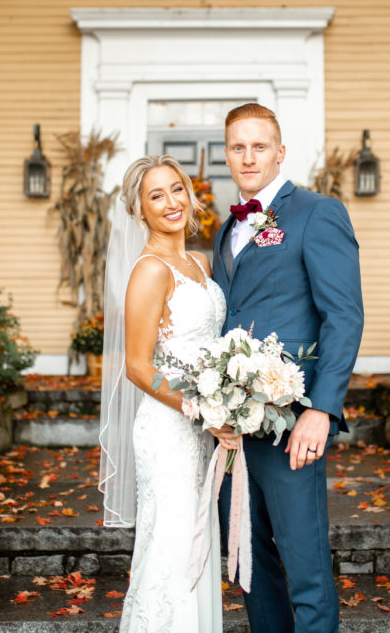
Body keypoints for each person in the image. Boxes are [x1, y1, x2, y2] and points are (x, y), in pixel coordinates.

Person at [213, 103, 363, 633]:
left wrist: (322, 409)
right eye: (238, 147)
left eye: (259, 146)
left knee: (306, 568)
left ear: (280, 152)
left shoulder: (318, 213)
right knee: (250, 566)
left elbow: (343, 316)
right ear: (226, 155)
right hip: (232, 427)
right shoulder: (225, 230)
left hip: (292, 419)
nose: (248, 157)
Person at [98, 155, 237, 632]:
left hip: (201, 429)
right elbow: (138, 367)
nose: (171, 202)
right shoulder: (150, 270)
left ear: (190, 194)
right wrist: (202, 410)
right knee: (171, 549)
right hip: (169, 429)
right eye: (156, 195)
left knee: (196, 546)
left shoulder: (199, 262)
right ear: (139, 210)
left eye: (176, 189)